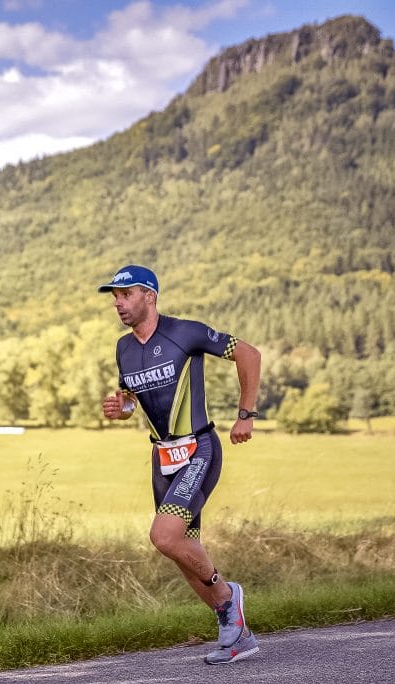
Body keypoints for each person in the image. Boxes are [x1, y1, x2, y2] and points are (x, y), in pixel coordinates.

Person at [98, 264, 262, 665]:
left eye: (126, 294)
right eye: (114, 297)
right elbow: (133, 397)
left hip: (199, 449)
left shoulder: (184, 332)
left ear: (149, 296)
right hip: (162, 457)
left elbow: (248, 353)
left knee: (165, 536)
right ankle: (237, 634)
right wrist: (122, 409)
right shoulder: (123, 347)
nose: (118, 303)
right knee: (182, 551)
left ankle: (227, 597)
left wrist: (246, 414)